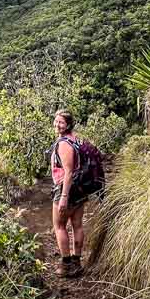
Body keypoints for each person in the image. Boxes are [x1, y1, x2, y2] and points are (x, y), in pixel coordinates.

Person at [51, 109, 89, 278]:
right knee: (77, 224)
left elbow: (68, 172)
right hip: (80, 188)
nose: (57, 124)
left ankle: (67, 265)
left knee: (59, 226)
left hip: (66, 188)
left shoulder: (64, 144)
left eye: (61, 122)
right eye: (56, 121)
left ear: (68, 124)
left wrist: (64, 197)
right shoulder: (75, 139)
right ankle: (76, 262)